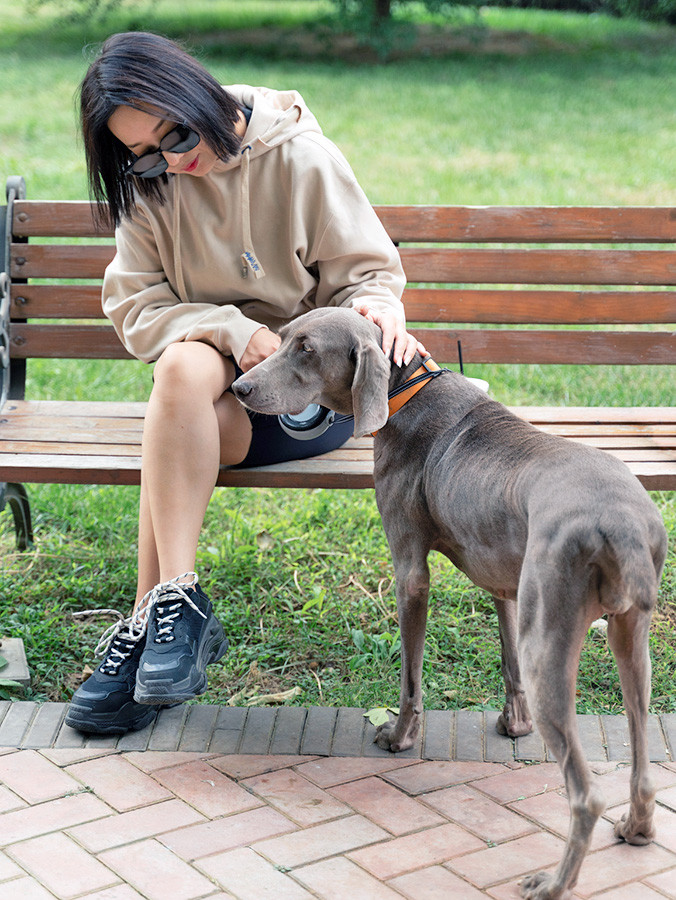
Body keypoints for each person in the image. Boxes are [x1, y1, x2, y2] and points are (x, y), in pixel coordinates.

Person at [65, 31, 421, 735]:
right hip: (216, 403)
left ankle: (145, 626)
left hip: (309, 398)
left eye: (174, 135)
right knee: (181, 367)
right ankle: (178, 607)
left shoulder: (299, 157)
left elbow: (368, 275)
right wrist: (232, 331)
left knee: (168, 425)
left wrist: (376, 305)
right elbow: (137, 307)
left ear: (196, 92)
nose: (167, 159)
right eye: (140, 153)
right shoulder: (150, 188)